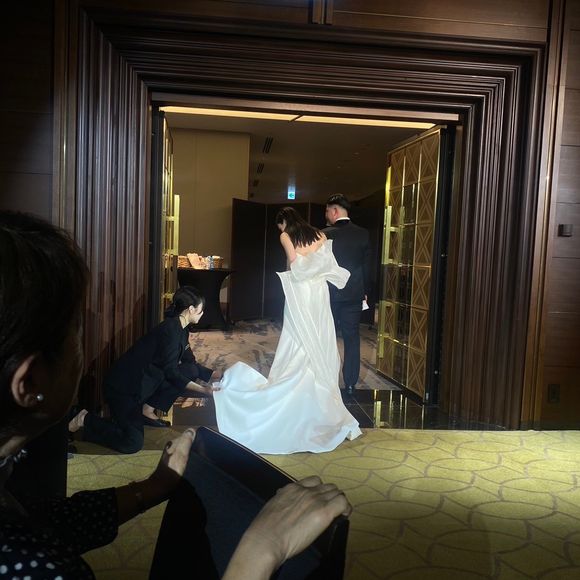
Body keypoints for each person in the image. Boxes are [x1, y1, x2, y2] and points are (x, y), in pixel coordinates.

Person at [0, 210, 352, 579]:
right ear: (29, 381)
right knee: (132, 441)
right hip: (131, 388)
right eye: (75, 334)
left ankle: (143, 413)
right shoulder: (37, 566)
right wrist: (262, 548)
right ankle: (98, 421)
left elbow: (46, 521)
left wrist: (153, 488)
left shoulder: (16, 490)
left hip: (288, 306)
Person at [213, 207, 362, 454]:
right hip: (319, 291)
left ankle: (294, 381)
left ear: (284, 222)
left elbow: (293, 262)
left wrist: (296, 263)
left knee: (296, 333)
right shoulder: (320, 234)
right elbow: (325, 261)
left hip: (300, 290)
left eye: (279, 225)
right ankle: (319, 388)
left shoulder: (286, 236)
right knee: (318, 332)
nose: (280, 230)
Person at [68, 286, 220, 454]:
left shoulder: (182, 329)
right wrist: (203, 390)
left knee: (190, 370)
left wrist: (216, 375)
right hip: (124, 388)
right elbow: (171, 373)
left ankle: (145, 411)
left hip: (144, 385)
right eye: (201, 310)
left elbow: (190, 361)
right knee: (132, 443)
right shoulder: (169, 330)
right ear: (191, 309)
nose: (202, 313)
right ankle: (84, 419)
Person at [323, 194, 371, 395]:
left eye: (327, 211)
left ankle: (326, 380)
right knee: (352, 338)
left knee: (326, 337)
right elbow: (367, 267)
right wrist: (366, 292)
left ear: (334, 211)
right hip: (353, 294)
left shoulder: (324, 234)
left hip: (329, 294)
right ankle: (350, 383)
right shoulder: (363, 234)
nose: (326, 215)